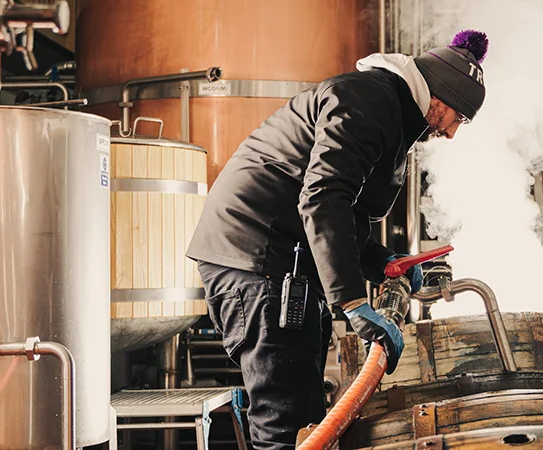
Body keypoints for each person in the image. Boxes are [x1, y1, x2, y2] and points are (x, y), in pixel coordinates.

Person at [184, 30, 490, 449]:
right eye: (459, 118)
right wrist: (351, 301)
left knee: (306, 413)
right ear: (441, 98)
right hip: (258, 260)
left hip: (277, 262)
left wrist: (382, 263)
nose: (453, 133)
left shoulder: (388, 107)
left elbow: (341, 212)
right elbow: (324, 196)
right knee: (285, 422)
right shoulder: (371, 101)